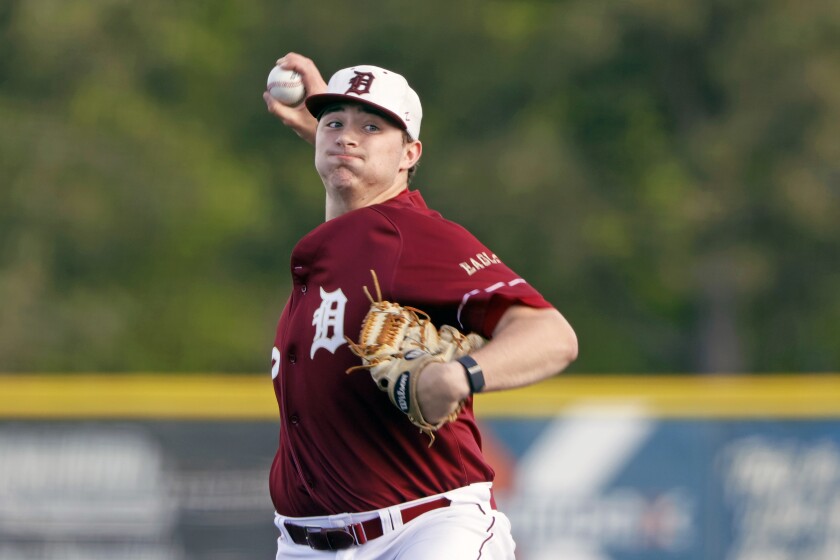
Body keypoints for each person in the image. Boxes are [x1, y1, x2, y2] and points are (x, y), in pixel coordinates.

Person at [262, 52, 578, 559]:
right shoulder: (344, 242)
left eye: (372, 128)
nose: (347, 136)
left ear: (410, 154)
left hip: (424, 531)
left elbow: (553, 335)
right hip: (304, 546)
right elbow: (352, 170)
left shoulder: (412, 235)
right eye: (335, 123)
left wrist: (460, 376)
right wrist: (332, 125)